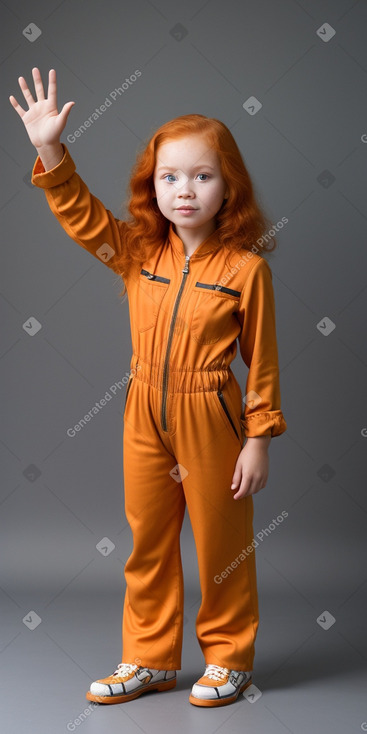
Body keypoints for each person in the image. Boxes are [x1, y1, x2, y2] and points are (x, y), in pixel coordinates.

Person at [9, 67, 288, 709]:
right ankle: (150, 659)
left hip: (211, 415)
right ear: (151, 186)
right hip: (142, 414)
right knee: (149, 542)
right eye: (169, 177)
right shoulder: (135, 252)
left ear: (229, 188)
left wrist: (259, 440)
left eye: (202, 176)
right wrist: (49, 147)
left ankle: (228, 659)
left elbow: (263, 362)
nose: (184, 191)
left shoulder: (246, 271)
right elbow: (80, 216)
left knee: (221, 542)